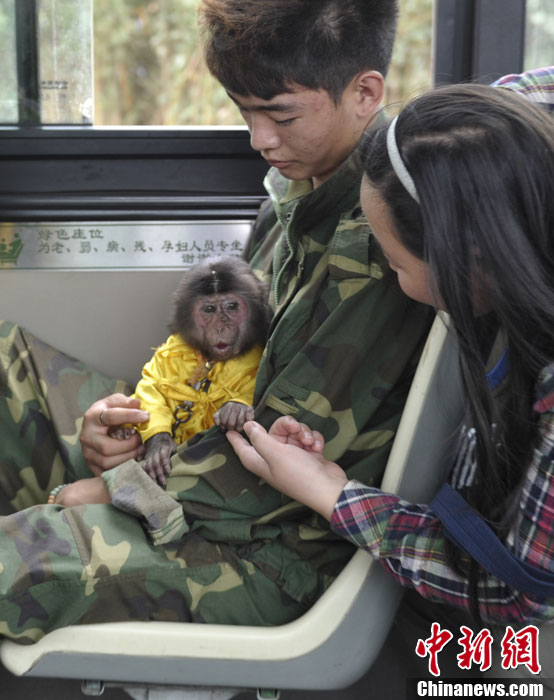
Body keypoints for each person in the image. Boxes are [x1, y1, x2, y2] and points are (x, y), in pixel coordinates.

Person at [0, 0, 433, 643]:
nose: (258, 138)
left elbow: (280, 463)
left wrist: (112, 488)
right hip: (204, 456)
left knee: (16, 558)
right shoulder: (296, 196)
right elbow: (213, 364)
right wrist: (138, 428)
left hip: (265, 544)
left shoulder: (373, 252)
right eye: (243, 111)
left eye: (279, 114)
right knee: (12, 365)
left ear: (365, 91)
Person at [226, 82, 554, 688]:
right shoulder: (524, 179)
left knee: (424, 660)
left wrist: (335, 496)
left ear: (473, 257)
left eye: (397, 264)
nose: (392, 279)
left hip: (531, 628)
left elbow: (516, 602)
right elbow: (518, 93)